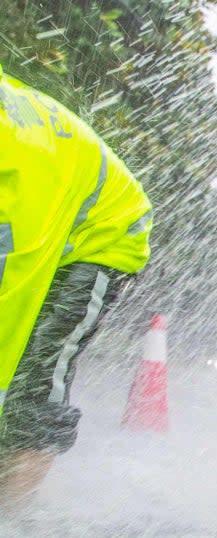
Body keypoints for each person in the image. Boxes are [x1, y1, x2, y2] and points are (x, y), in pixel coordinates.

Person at [0, 65, 153, 506]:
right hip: (53, 204)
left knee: (36, 370)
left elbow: (12, 304)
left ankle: (11, 522)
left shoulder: (18, 177)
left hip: (101, 238)